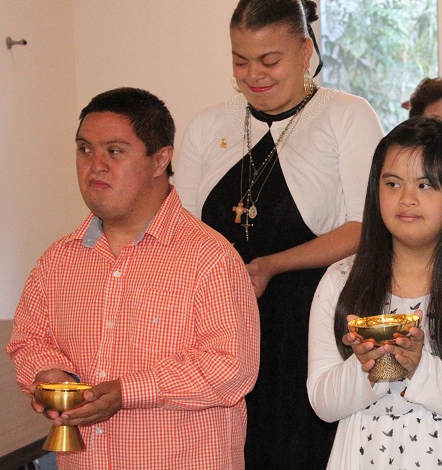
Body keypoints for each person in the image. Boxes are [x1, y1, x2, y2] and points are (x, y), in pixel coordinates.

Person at [174, 0, 384, 469]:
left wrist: (273, 264)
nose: (253, 75)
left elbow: (367, 226)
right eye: (240, 60)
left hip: (311, 319)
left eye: (269, 60)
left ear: (305, 50)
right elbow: (181, 231)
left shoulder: (346, 115)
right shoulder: (208, 125)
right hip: (221, 325)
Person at [6, 87, 260, 470]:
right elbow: (28, 341)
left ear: (160, 160)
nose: (96, 165)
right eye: (84, 149)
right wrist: (48, 376)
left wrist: (127, 393)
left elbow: (232, 369)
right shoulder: (57, 262)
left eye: (115, 150)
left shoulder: (211, 258)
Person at [307, 117, 442, 470]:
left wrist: (420, 366)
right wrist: (369, 366)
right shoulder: (340, 281)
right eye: (392, 183)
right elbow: (322, 402)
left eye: (426, 185)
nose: (407, 199)